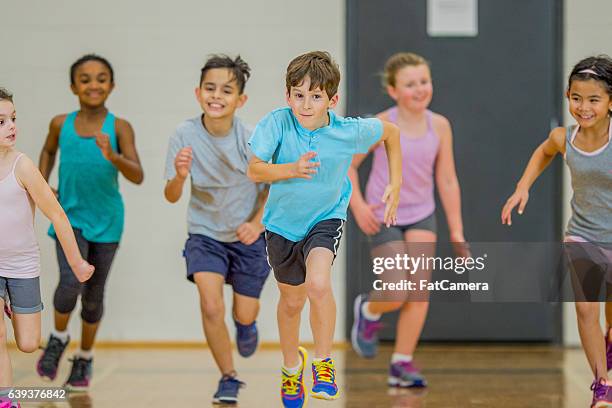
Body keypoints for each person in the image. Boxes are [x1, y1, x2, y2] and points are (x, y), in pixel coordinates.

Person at [247, 50, 402, 407]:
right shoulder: (276, 123)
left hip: (326, 217)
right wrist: (290, 169)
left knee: (318, 284)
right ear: (288, 96)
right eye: (298, 95)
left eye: (315, 96)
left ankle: (323, 362)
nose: (305, 104)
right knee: (291, 301)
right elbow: (255, 170)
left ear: (332, 99)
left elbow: (391, 134)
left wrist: (397, 182)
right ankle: (291, 369)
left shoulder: (348, 131)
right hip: (282, 225)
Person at [349, 52, 469, 388]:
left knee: (418, 293)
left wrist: (457, 229)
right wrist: (358, 206)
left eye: (424, 81)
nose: (419, 89)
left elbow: (447, 180)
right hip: (384, 213)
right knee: (397, 290)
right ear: (393, 91)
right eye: (410, 84)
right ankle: (369, 311)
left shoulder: (440, 125)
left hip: (422, 214)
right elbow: (348, 166)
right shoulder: (381, 125)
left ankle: (401, 363)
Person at [501, 55, 612, 407]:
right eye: (576, 98)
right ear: (568, 95)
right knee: (584, 310)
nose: (584, 107)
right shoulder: (565, 137)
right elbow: (543, 152)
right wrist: (523, 187)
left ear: (610, 101)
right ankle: (603, 385)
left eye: (594, 99)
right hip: (582, 235)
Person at [164, 54, 270, 405]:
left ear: (241, 100)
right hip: (205, 233)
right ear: (198, 93)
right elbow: (171, 195)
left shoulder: (252, 138)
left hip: (248, 235)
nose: (216, 96)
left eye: (227, 90)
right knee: (211, 306)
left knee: (243, 311)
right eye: (210, 88)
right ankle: (228, 377)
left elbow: (274, 187)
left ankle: (246, 324)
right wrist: (180, 176)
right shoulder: (184, 134)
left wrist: (256, 224)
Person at [36, 54, 144, 391]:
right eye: (85, 79)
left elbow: (138, 175)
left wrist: (113, 156)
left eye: (101, 78)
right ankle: (57, 338)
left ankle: (84, 356)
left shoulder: (120, 127)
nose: (93, 84)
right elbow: (48, 152)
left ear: (112, 85)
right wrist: (42, 185)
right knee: (70, 283)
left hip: (108, 222)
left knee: (94, 295)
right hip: (70, 217)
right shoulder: (59, 123)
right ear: (73, 86)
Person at [0, 88, 94, 408]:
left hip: (22, 265)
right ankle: (6, 399)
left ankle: (14, 305)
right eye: (1, 121)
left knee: (28, 343)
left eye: (13, 118)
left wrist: (77, 262)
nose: (11, 126)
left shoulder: (23, 166)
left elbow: (56, 213)